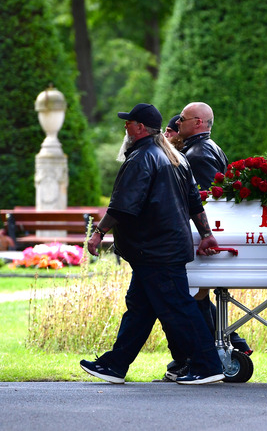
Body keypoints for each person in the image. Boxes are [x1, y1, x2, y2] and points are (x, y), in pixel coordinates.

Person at [79, 103, 224, 385]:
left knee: (179, 308)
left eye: (129, 122)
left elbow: (122, 205)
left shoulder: (141, 159)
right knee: (140, 308)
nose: (126, 127)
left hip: (155, 248)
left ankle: (208, 365)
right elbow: (195, 201)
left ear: (141, 128)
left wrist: (98, 232)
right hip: (162, 247)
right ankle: (116, 365)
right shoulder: (174, 157)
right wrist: (206, 233)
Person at [161, 103, 250, 383]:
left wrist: (203, 233)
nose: (177, 125)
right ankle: (212, 350)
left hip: (200, 238)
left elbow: (202, 200)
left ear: (198, 122)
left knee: (193, 296)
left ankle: (201, 357)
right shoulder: (206, 148)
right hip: (203, 236)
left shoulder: (197, 153)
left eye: (182, 120)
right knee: (194, 297)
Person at [176, 102, 229, 190]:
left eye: (182, 119)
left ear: (197, 122)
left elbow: (207, 199)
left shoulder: (198, 155)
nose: (177, 122)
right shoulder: (210, 146)